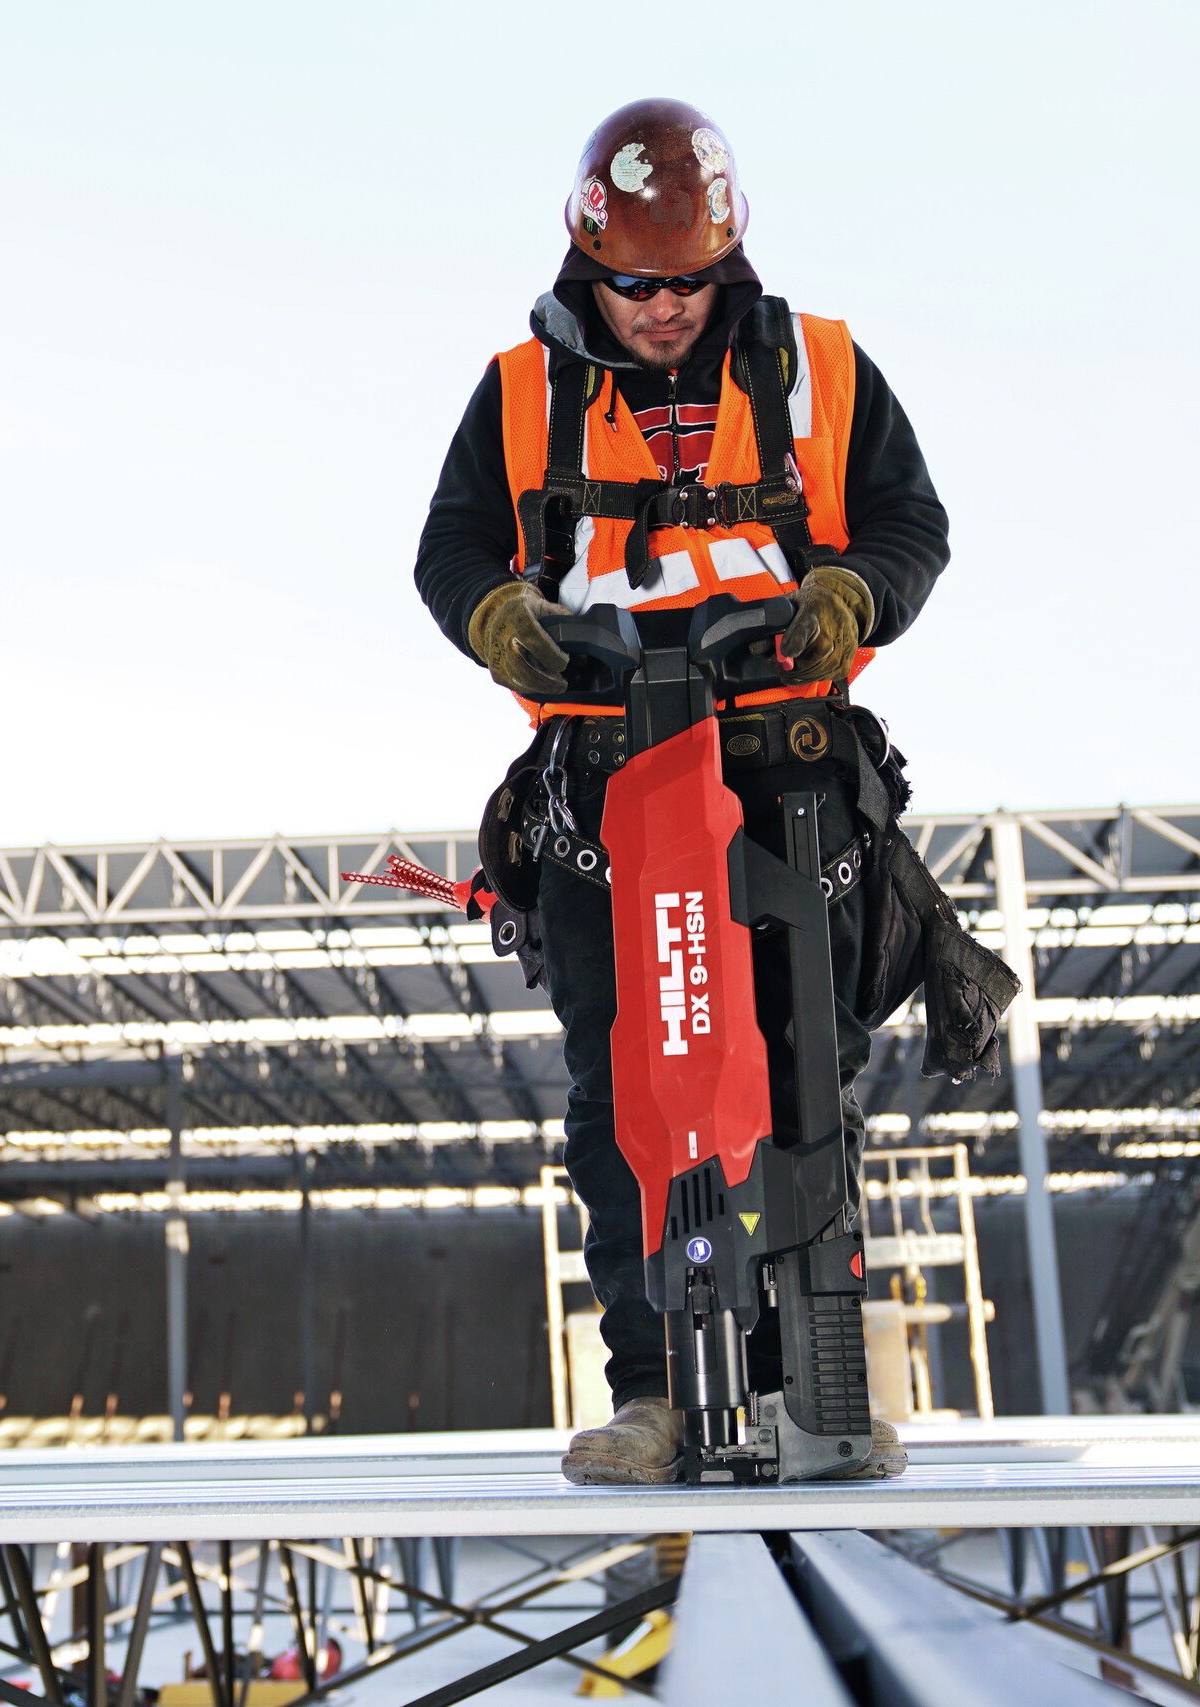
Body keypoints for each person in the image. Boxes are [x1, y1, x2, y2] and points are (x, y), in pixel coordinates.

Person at [413, 97, 951, 1484]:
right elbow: (451, 551)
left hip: (788, 785)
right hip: (605, 791)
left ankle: (807, 1385)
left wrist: (849, 590)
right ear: (589, 257)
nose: (663, 308)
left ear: (728, 263)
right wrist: (495, 620)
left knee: (798, 1074)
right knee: (627, 1099)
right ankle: (654, 1390)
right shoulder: (522, 390)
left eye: (689, 281)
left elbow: (910, 524)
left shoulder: (818, 369)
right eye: (638, 283)